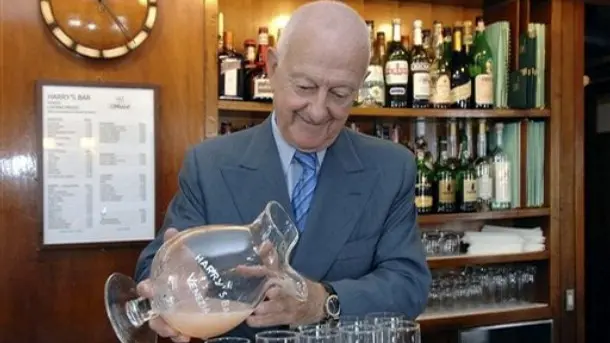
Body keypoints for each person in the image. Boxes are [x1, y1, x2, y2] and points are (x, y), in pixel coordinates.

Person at [134, 1, 431, 342]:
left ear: (360, 85)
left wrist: (323, 301)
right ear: (273, 68)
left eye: (340, 93)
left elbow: (409, 285)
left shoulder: (391, 168)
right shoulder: (209, 164)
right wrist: (167, 286)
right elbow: (154, 264)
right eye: (304, 87)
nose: (318, 111)